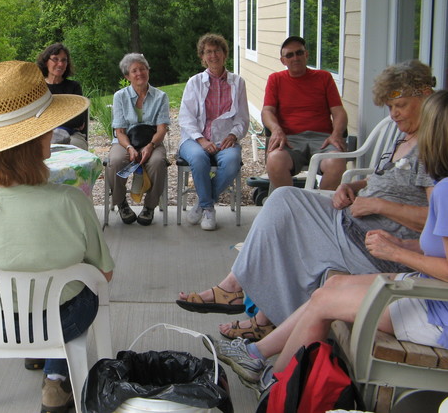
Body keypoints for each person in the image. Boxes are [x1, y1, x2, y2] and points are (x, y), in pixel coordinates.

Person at [210, 89, 448, 395]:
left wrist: (394, 250)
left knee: (323, 296)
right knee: (328, 284)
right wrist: (404, 246)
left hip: (435, 309)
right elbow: (438, 247)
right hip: (422, 281)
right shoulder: (428, 170)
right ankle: (257, 356)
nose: (396, 115)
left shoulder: (442, 190)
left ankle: (276, 384)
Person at [177, 60, 434, 342]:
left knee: (288, 231)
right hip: (353, 220)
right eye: (389, 107)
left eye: (401, 105)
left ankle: (247, 301)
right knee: (284, 199)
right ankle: (243, 294)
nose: (394, 114)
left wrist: (377, 205)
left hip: (372, 244)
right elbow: (384, 181)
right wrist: (354, 185)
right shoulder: (405, 135)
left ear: (425, 94)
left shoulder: (434, 149)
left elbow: (435, 221)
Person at [0, 61, 114, 413]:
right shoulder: (70, 202)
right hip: (59, 320)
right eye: (49, 126)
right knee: (72, 289)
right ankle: (56, 380)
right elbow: (103, 275)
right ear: (36, 136)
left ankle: (42, 359)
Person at [178, 33, 249, 230]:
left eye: (217, 50)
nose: (213, 55)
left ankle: (202, 204)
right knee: (199, 159)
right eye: (208, 52)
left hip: (225, 138)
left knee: (232, 162)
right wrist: (201, 140)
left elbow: (242, 118)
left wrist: (233, 135)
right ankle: (209, 208)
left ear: (224, 54)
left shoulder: (238, 83)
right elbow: (185, 117)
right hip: (194, 138)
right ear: (202, 57)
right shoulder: (195, 82)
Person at [262, 36, 348, 191]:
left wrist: (336, 133)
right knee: (274, 160)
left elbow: (339, 111)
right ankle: (292, 208)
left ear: (306, 54)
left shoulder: (324, 77)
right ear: (283, 60)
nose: (295, 58)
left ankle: (318, 208)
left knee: (337, 162)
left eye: (299, 53)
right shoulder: (276, 79)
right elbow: (267, 111)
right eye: (289, 55)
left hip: (322, 139)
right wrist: (276, 129)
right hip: (289, 140)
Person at [107, 53, 170, 226]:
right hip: (126, 140)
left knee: (158, 161)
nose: (139, 73)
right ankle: (121, 204)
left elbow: (162, 129)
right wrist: (129, 148)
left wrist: (150, 146)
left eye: (142, 69)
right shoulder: (120, 96)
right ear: (127, 76)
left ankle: (149, 207)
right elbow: (119, 131)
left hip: (152, 140)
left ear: (148, 71)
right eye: (134, 70)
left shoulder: (160, 96)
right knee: (116, 160)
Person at [36, 42, 88, 150]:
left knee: (77, 148)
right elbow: (34, 119)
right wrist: (66, 116)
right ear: (46, 62)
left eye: (64, 60)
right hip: (42, 135)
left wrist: (48, 118)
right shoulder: (38, 88)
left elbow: (78, 120)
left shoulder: (74, 87)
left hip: (72, 135)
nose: (60, 64)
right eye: (55, 59)